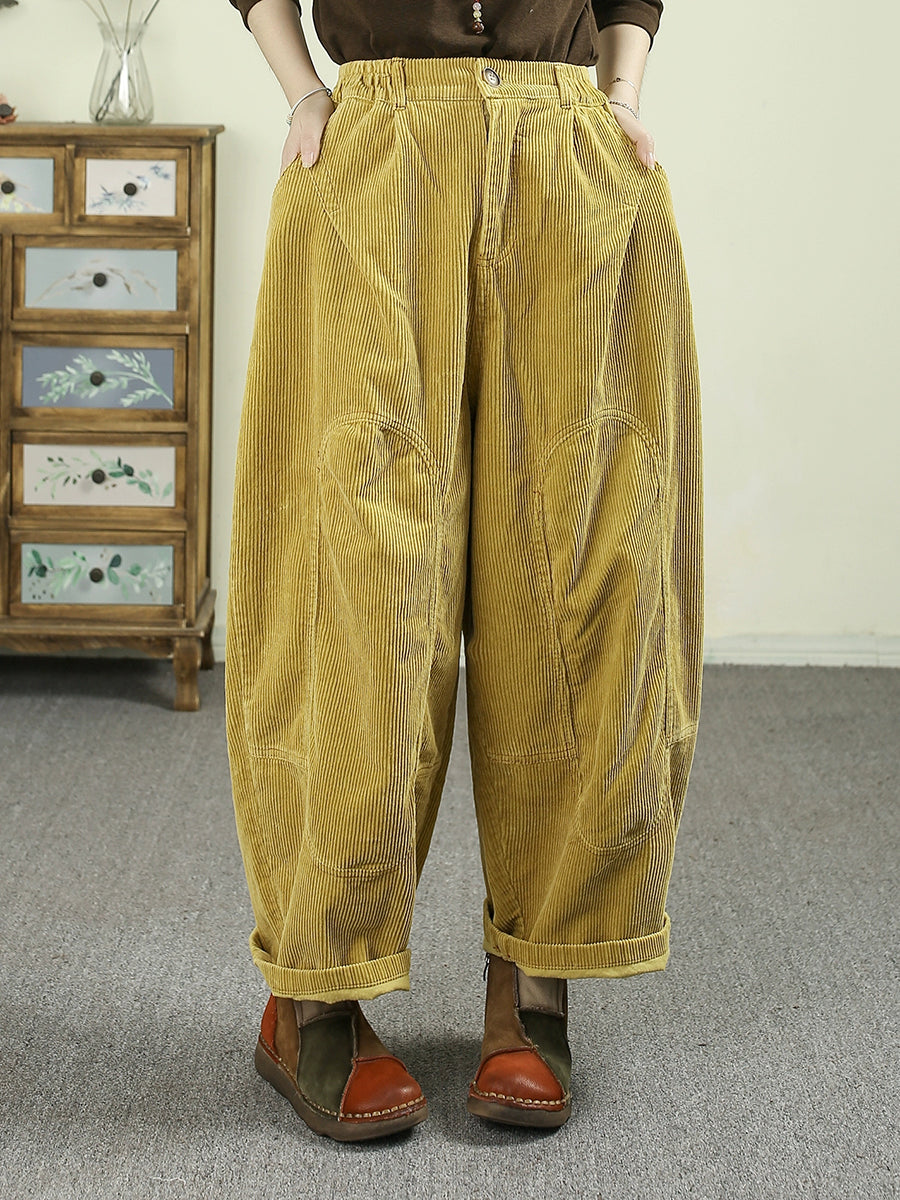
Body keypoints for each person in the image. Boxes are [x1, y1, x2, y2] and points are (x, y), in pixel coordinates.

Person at [225, 0, 703, 1142]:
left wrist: (621, 91)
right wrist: (304, 89)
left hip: (566, 152)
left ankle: (534, 983)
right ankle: (314, 994)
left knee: (582, 575)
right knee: (353, 582)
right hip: (376, 154)